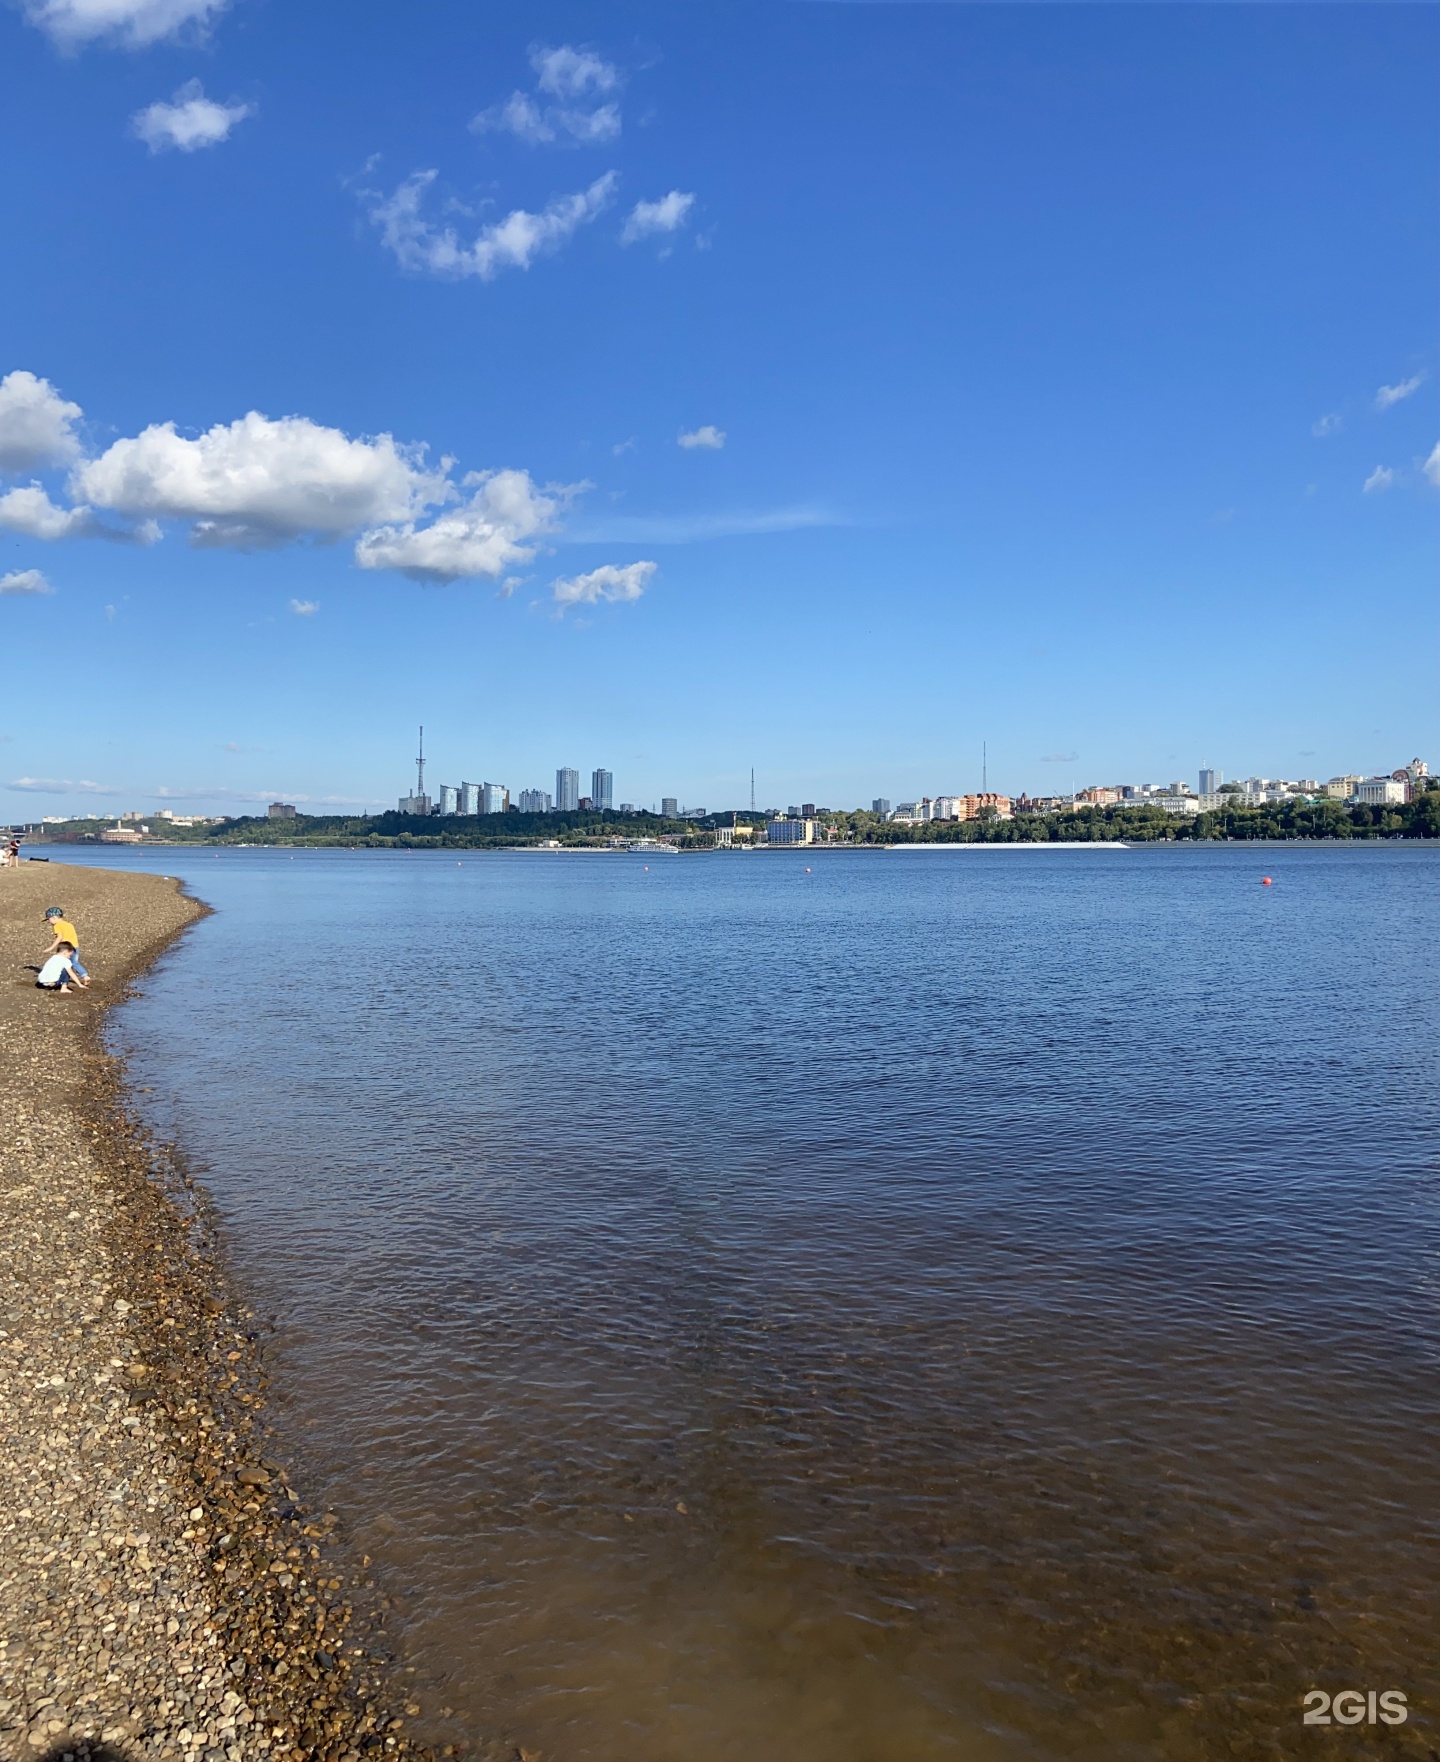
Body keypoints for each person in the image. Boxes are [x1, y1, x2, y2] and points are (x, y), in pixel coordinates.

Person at [42, 907, 90, 985]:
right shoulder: (69, 924)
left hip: (65, 948)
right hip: (75, 947)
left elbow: (60, 937)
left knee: (63, 965)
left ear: (54, 917)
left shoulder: (57, 925)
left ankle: (59, 982)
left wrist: (52, 947)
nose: (49, 921)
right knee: (75, 963)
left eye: (49, 919)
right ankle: (85, 976)